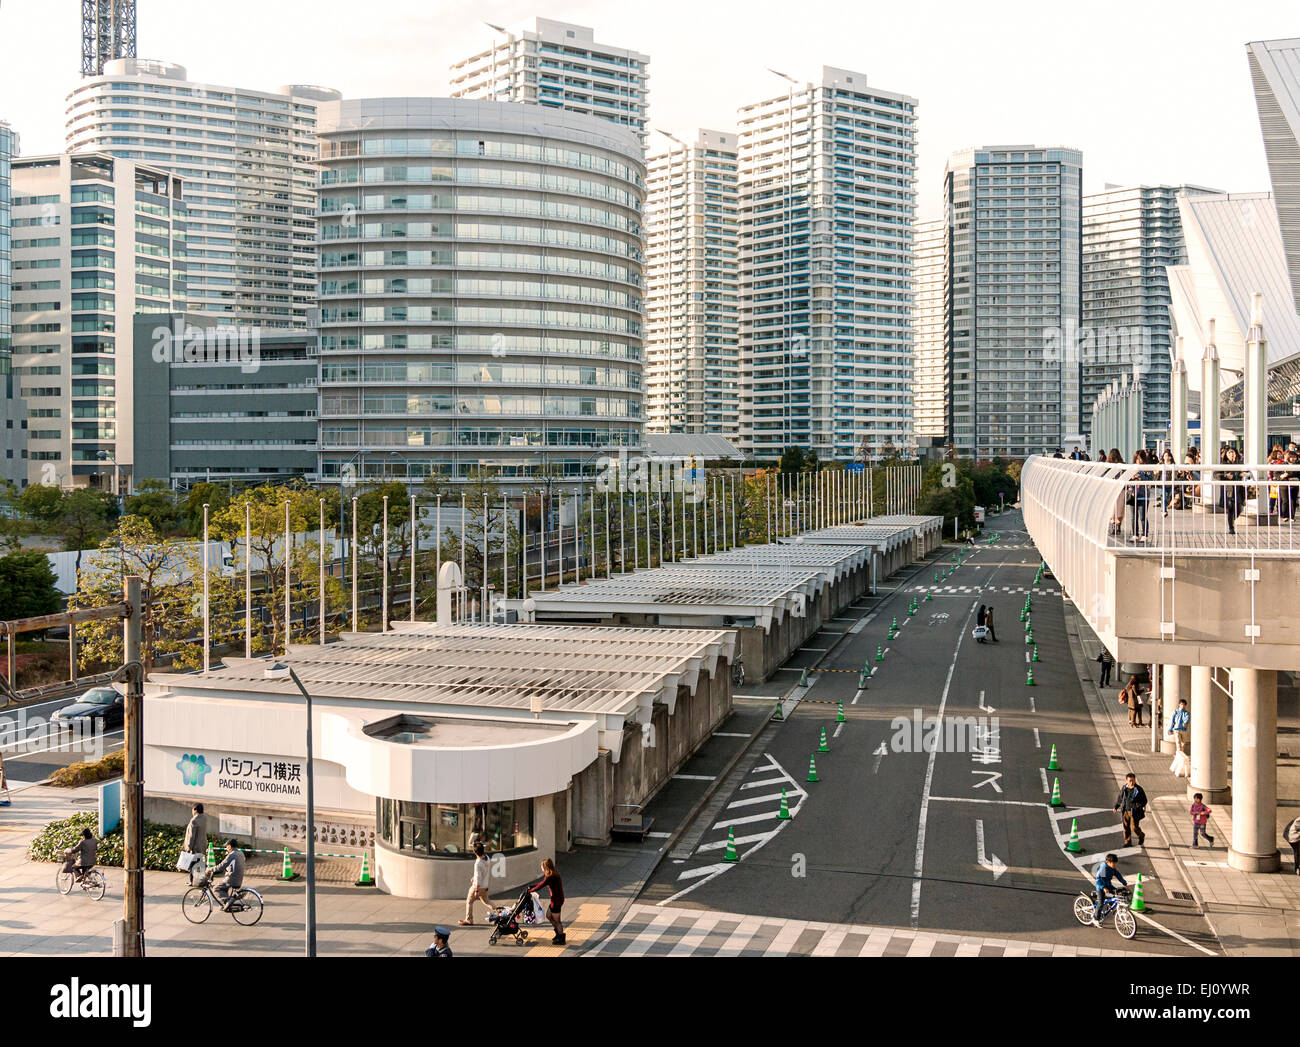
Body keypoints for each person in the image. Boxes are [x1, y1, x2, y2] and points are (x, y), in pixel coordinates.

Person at [528, 857, 566, 945]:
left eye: (541, 866)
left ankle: (561, 938)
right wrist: (532, 886)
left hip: (556, 901)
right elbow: (542, 883)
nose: (541, 867)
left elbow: (541, 885)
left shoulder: (551, 876)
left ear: (545, 867)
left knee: (557, 921)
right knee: (549, 916)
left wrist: (530, 891)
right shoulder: (552, 874)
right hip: (556, 900)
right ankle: (558, 933)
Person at [459, 843, 492, 926]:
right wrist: (474, 877)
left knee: (469, 901)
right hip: (485, 886)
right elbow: (481, 873)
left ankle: (469, 920)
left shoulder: (478, 863)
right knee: (487, 901)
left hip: (478, 887)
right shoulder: (487, 858)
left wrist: (476, 890)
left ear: (475, 852)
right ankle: (500, 913)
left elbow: (478, 878)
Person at [1091, 853, 1128, 925]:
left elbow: (1118, 875)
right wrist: (1103, 887)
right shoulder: (1103, 868)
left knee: (1117, 893)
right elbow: (1099, 880)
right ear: (1108, 862)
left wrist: (1124, 884)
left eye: (1115, 864)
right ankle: (1095, 919)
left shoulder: (1112, 868)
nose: (1114, 865)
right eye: (1113, 864)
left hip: (1108, 885)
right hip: (1101, 887)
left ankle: (1110, 904)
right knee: (1100, 903)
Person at [208, 838, 245, 910]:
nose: (226, 848)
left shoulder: (232, 855)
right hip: (239, 879)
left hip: (232, 880)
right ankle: (226, 904)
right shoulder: (240, 853)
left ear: (230, 846)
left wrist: (210, 869)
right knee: (223, 888)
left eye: (226, 846)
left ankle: (228, 902)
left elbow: (221, 866)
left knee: (216, 888)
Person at [1114, 773, 1148, 846]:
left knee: (1134, 827)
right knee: (1125, 827)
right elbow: (1120, 798)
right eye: (1130, 781)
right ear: (1126, 780)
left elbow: (1144, 801)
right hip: (1125, 811)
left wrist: (1136, 806)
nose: (1131, 782)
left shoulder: (1138, 790)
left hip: (1134, 812)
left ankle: (1141, 835)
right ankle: (1127, 842)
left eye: (1133, 780)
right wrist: (1116, 806)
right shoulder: (1124, 788)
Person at [1220, 445, 1247, 535]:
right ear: (1226, 454)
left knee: (1239, 508)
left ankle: (1232, 520)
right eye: (1229, 452)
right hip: (1229, 490)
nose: (1232, 454)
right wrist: (1225, 476)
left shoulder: (1240, 463)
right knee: (1231, 509)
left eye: (1233, 452)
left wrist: (1243, 474)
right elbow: (1216, 474)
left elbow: (1248, 473)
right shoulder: (1223, 464)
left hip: (1239, 489)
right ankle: (1231, 528)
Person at [181, 802, 208, 885]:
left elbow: (191, 836)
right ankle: (201, 880)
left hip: (195, 847)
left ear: (195, 810)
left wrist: (189, 847)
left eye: (192, 810)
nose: (192, 812)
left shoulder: (194, 821)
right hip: (202, 845)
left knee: (192, 865)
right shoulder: (204, 818)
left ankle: (193, 881)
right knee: (200, 864)